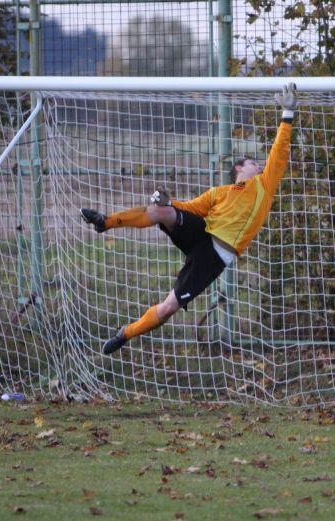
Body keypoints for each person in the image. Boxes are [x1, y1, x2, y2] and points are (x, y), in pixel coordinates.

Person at [80, 83, 297, 355]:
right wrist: (167, 202)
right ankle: (105, 222)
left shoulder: (264, 186)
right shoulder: (220, 193)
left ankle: (126, 333)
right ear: (239, 168)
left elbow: (279, 153)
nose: (261, 165)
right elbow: (190, 208)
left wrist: (287, 113)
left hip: (214, 257)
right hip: (202, 232)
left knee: (169, 307)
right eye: (255, 162)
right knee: (162, 212)